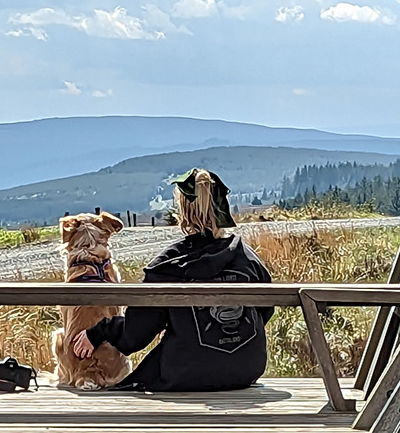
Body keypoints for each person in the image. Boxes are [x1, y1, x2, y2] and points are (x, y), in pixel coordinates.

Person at [71, 167, 273, 392]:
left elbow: (134, 337)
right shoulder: (245, 257)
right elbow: (265, 310)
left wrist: (97, 332)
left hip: (187, 373)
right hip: (246, 368)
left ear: (183, 212)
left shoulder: (168, 266)